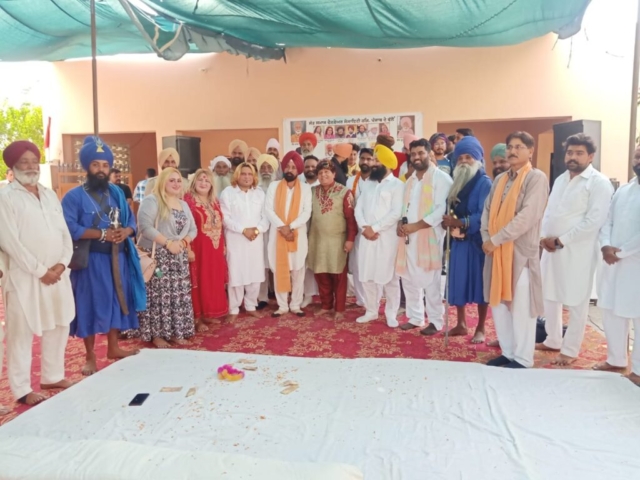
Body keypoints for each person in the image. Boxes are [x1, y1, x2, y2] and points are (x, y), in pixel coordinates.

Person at [62, 136, 146, 375]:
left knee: (117, 300)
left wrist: (126, 231)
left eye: (105, 165)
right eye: (96, 164)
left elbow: (131, 221)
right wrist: (102, 234)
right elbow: (70, 227)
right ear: (87, 167)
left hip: (118, 258)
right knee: (89, 304)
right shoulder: (73, 196)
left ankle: (114, 347)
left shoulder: (117, 193)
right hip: (90, 260)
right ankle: (90, 356)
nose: (101, 169)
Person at [0, 141, 75, 406]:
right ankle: (21, 389)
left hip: (57, 274)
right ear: (13, 166)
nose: (31, 166)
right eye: (24, 161)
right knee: (21, 333)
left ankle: (52, 376)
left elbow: (64, 233)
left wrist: (62, 264)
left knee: (59, 323)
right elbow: (10, 242)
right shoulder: (6, 198)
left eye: (34, 161)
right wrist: (41, 271)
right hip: (25, 277)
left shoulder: (49, 194)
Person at [537, 134, 613, 365]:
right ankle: (553, 339)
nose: (573, 157)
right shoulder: (561, 179)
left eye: (579, 153)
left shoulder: (599, 183)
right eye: (570, 152)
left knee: (577, 299)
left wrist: (561, 240)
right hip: (551, 248)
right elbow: (549, 211)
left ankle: (570, 350)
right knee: (549, 294)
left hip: (578, 250)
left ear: (591, 156)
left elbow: (594, 220)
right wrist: (543, 237)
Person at [482, 131, 549, 369]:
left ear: (530, 151)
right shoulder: (500, 179)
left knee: (521, 307)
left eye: (519, 147)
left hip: (520, 253)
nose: (512, 151)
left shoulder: (536, 178)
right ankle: (508, 351)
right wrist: (487, 238)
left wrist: (497, 239)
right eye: (510, 146)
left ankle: (523, 357)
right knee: (499, 305)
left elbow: (527, 216)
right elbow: (487, 212)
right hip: (496, 252)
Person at [134, 167, 197, 348]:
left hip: (178, 258)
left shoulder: (183, 204)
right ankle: (157, 335)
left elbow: (193, 229)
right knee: (158, 296)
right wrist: (168, 243)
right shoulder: (152, 200)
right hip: (159, 258)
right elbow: (145, 227)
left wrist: (183, 243)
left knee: (178, 295)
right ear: (162, 181)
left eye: (178, 180)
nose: (176, 184)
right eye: (171, 180)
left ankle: (176, 331)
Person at [397, 138, 453, 334]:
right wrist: (401, 224)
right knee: (408, 279)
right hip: (408, 237)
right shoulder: (410, 180)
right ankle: (415, 317)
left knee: (431, 281)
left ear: (429, 154)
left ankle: (436, 321)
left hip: (429, 237)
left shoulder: (442, 179)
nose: (417, 157)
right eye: (413, 154)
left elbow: (440, 210)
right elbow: (404, 208)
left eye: (421, 153)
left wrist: (416, 226)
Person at [594, 147, 640, 384]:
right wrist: (605, 246)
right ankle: (616, 358)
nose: (639, 161)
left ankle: (639, 371)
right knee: (611, 310)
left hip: (634, 262)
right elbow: (608, 221)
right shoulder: (624, 190)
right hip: (613, 261)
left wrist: (622, 252)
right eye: (638, 156)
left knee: (638, 315)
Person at [441, 137, 492, 343]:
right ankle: (461, 324)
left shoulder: (484, 182)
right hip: (458, 243)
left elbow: (484, 214)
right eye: (460, 158)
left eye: (468, 157)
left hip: (477, 243)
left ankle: (480, 327)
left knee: (480, 286)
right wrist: (448, 222)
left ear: (477, 159)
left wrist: (460, 222)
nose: (463, 161)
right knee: (458, 282)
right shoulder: (456, 182)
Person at [355, 143, 403, 327]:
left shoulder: (398, 185)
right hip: (367, 237)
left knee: (390, 278)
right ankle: (371, 311)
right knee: (367, 276)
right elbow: (358, 208)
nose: (372, 164)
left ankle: (391, 314)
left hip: (386, 239)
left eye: (376, 161)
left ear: (387, 164)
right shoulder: (368, 184)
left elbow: (396, 212)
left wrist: (374, 228)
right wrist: (364, 228)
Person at [307, 160, 357, 320]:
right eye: (320, 173)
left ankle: (340, 309)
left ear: (334, 174)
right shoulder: (312, 191)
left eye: (327, 172)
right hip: (317, 241)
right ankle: (326, 305)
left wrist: (350, 239)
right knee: (321, 275)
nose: (323, 175)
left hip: (337, 242)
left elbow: (351, 219)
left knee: (339, 277)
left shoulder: (344, 192)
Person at [219, 163, 270, 321]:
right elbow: (225, 218)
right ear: (237, 175)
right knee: (236, 273)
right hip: (236, 240)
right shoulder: (228, 193)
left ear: (254, 176)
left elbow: (266, 217)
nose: (247, 177)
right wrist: (243, 230)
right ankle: (233, 309)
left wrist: (256, 230)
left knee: (255, 273)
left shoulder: (259, 193)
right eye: (243, 174)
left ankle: (251, 305)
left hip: (255, 240)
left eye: (249, 174)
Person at [265, 151, 312, 317]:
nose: (290, 170)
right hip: (278, 235)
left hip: (297, 235)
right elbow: (268, 210)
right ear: (283, 168)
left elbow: (306, 212)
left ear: (298, 170)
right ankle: (282, 306)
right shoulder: (274, 186)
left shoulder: (305, 188)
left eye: (293, 167)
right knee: (279, 270)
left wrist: (290, 227)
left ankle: (296, 305)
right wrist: (282, 227)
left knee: (298, 271)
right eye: (287, 167)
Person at [184, 169, 229, 330]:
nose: (203, 183)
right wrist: (188, 248)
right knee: (198, 281)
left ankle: (207, 314)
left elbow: (220, 225)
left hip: (214, 248)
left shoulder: (214, 201)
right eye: (200, 180)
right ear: (194, 182)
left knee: (212, 279)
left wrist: (223, 245)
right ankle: (197, 318)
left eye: (207, 181)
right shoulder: (188, 201)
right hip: (198, 248)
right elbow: (184, 226)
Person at [346, 148, 375, 307]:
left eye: (369, 159)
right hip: (355, 230)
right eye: (362, 158)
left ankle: (373, 299)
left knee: (371, 263)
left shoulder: (378, 181)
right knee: (357, 264)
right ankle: (360, 298)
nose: (365, 162)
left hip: (372, 229)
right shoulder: (351, 181)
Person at [256, 154, 279, 309]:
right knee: (262, 264)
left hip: (277, 230)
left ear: (274, 170)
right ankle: (262, 297)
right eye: (262, 167)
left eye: (269, 167)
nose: (266, 170)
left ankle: (280, 295)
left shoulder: (279, 187)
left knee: (277, 263)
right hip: (260, 232)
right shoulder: (255, 189)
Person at [299, 155, 320, 307]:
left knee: (320, 262)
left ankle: (325, 295)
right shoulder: (298, 185)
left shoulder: (324, 184)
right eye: (307, 166)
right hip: (302, 229)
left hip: (320, 231)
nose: (310, 169)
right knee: (304, 264)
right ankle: (308, 294)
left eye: (313, 166)